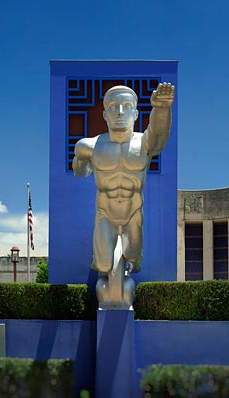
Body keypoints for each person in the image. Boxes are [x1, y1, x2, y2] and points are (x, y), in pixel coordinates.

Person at [73, 83, 174, 291]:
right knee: (102, 265)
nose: (120, 112)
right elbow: (80, 171)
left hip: (133, 215)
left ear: (136, 114)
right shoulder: (89, 146)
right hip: (105, 215)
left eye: (127, 106)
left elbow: (159, 135)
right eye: (113, 106)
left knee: (133, 259)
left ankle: (128, 273)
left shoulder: (144, 144)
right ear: (104, 114)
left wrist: (162, 109)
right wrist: (83, 165)